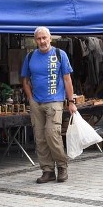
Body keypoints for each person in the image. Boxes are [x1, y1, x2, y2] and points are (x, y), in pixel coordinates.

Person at [21, 26, 78, 183]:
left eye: (44, 38)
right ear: (35, 40)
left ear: (50, 38)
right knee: (39, 137)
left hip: (54, 101)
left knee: (52, 134)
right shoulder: (30, 56)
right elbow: (25, 80)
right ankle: (47, 170)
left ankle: (62, 167)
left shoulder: (60, 54)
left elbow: (67, 79)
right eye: (39, 38)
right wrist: (30, 98)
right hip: (36, 102)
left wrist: (71, 101)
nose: (42, 41)